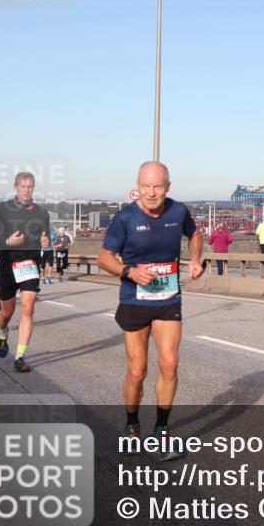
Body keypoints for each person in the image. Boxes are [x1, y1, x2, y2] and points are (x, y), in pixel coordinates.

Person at [97, 161, 203, 460]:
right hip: (134, 299)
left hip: (168, 298)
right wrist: (129, 271)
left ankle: (161, 431)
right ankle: (132, 425)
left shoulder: (178, 211)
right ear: (137, 186)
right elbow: (104, 258)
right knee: (137, 370)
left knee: (170, 363)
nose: (151, 193)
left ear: (168, 186)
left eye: (157, 186)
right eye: (146, 186)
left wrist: (195, 259)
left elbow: (195, 235)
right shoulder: (125, 217)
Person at [0, 172, 51, 373]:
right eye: (23, 186)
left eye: (30, 186)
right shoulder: (2, 209)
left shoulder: (41, 212)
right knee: (6, 312)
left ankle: (20, 357)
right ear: (16, 187)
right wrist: (6, 242)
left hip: (29, 264)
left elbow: (45, 236)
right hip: (6, 265)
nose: (27, 190)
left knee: (28, 308)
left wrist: (45, 242)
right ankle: (2, 333)